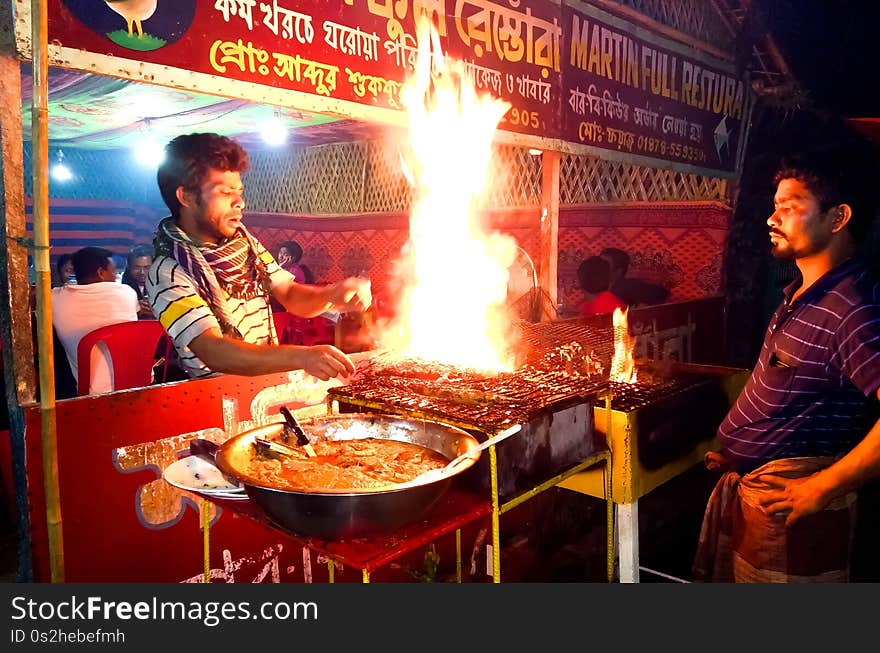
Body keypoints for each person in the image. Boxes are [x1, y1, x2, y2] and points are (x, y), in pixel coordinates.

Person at [693, 148, 880, 582]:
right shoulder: (799, 293)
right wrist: (740, 451)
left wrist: (823, 487)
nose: (772, 219)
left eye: (790, 207)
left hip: (793, 512)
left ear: (838, 218)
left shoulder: (853, 307)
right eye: (775, 207)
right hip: (756, 493)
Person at [146, 132, 371, 382]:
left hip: (265, 385)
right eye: (224, 192)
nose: (239, 202)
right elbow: (212, 350)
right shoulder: (167, 271)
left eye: (239, 191)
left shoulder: (246, 245)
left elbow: (289, 293)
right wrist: (302, 357)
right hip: (216, 396)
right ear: (186, 197)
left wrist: (332, 294)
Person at [52, 246, 139, 394]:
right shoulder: (127, 292)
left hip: (90, 394)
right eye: (113, 272)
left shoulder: (54, 299)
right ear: (101, 272)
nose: (115, 277)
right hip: (138, 383)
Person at [599, 247, 670, 307]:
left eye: (605, 265)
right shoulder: (596, 286)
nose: (599, 267)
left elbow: (662, 293)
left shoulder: (630, 286)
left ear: (619, 270)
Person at [121, 244, 155, 319]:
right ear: (129, 267)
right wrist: (135, 308)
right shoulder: (119, 286)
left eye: (147, 267)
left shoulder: (166, 285)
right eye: (137, 267)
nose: (142, 272)